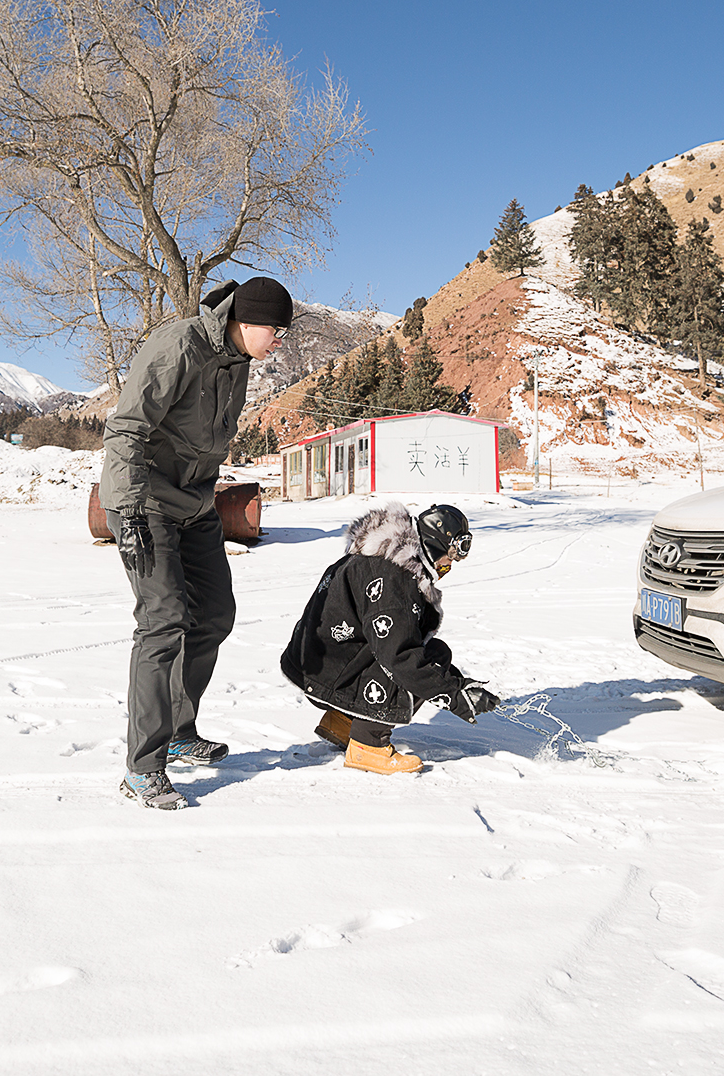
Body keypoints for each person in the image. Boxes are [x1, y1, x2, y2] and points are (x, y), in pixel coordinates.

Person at [101, 275, 291, 810]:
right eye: (275, 329)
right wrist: (132, 512)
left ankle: (181, 730)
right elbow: (128, 430)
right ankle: (144, 767)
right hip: (144, 501)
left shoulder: (238, 362)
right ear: (245, 321)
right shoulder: (178, 345)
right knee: (162, 621)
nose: (279, 340)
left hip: (194, 503)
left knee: (213, 615)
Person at [280, 502, 499, 774]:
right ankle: (368, 745)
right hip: (327, 671)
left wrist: (459, 685)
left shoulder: (387, 560)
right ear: (434, 545)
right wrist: (454, 695)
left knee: (430, 652)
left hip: (322, 663)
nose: (449, 566)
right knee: (418, 657)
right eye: (450, 557)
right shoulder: (393, 579)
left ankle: (344, 722)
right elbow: (400, 655)